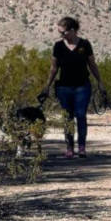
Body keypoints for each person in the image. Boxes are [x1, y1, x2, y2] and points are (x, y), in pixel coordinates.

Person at [39, 16, 105, 158]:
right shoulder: (58, 46)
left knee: (81, 115)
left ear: (73, 30)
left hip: (82, 86)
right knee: (67, 117)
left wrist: (100, 82)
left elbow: (92, 64)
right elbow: (54, 68)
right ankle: (69, 148)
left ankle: (82, 147)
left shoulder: (85, 44)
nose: (61, 35)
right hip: (64, 88)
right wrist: (47, 86)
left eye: (63, 32)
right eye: (60, 33)